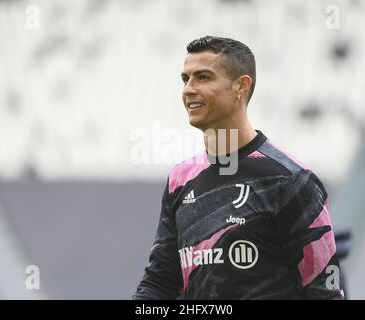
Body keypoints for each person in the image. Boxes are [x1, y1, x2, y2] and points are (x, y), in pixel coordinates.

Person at [133, 36, 345, 300]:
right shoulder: (180, 179)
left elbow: (325, 292)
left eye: (203, 77)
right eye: (185, 79)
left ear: (241, 86)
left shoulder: (289, 179)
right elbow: (159, 285)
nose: (188, 89)